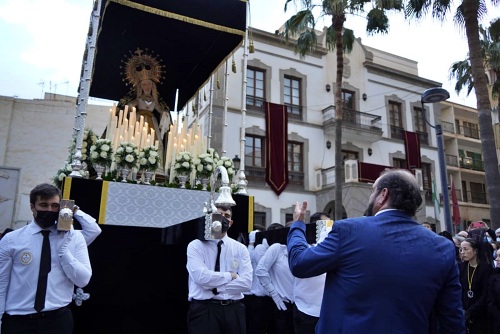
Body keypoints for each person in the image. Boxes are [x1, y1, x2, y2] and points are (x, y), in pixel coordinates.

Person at [287, 169, 465, 333]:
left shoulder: (348, 231)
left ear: (383, 195)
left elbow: (300, 263)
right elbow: (452, 319)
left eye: (373, 191)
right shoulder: (443, 247)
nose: (370, 197)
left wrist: (297, 225)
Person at [0, 183, 92, 333]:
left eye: (55, 206)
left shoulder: (74, 238)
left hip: (57, 320)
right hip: (19, 320)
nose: (49, 210)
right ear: (32, 207)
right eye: (43, 205)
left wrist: (64, 252)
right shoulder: (12, 240)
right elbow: (1, 283)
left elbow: (82, 280)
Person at [186, 205, 252, 334]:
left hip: (233, 309)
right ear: (210, 218)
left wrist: (217, 288)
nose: (222, 219)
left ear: (231, 223)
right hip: (205, 310)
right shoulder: (196, 246)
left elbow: (247, 283)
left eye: (226, 216)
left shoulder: (240, 248)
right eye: (218, 215)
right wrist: (230, 276)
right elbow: (201, 278)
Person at [292, 212, 328, 334]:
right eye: (326, 224)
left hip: (327, 312)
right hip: (305, 311)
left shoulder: (332, 247)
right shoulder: (304, 248)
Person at [255, 223, 295, 334]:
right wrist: (274, 294)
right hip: (281, 304)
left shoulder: (304, 248)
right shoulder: (277, 248)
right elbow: (261, 270)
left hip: (300, 306)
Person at [459, 237, 494, 333]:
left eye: (466, 249)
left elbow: (486, 293)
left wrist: (471, 311)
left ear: (476, 251)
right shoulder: (461, 267)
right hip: (463, 310)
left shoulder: (486, 269)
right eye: (461, 249)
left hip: (481, 313)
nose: (462, 252)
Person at [244, 225, 275, 334]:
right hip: (257, 298)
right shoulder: (257, 250)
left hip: (270, 298)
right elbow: (249, 260)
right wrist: (252, 244)